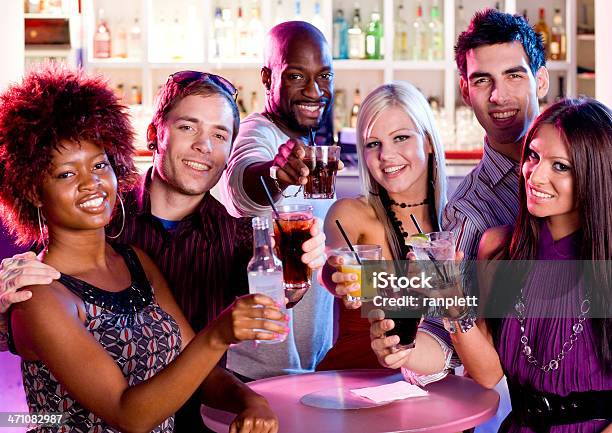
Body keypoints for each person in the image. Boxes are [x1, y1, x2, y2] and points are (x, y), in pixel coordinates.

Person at [0, 68, 326, 432]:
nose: (204, 145)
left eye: (219, 134)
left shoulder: (147, 257)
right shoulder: (66, 245)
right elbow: (125, 413)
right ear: (155, 134)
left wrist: (304, 269)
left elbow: (280, 294)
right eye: (189, 127)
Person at [369, 9, 550, 432]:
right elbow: (442, 327)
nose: (499, 96)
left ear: (540, 79)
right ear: (465, 91)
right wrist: (403, 351)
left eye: (514, 75)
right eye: (483, 80)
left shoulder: (595, 151)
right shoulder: (466, 211)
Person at [453, 98, 612, 432]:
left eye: (560, 166)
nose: (535, 176)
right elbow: (487, 372)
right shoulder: (497, 249)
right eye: (533, 156)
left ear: (595, 174)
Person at [316, 81, 460, 377]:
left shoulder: (455, 225)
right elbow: (332, 265)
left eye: (401, 138)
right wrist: (340, 275)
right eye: (373, 144)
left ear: (429, 142)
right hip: (354, 390)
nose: (386, 155)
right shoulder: (351, 214)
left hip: (431, 398)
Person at [218, 21, 336, 380]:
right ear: (268, 79)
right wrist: (274, 173)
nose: (315, 91)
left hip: (304, 366)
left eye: (325, 76)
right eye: (297, 77)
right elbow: (242, 185)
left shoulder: (312, 146)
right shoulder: (258, 134)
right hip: (256, 372)